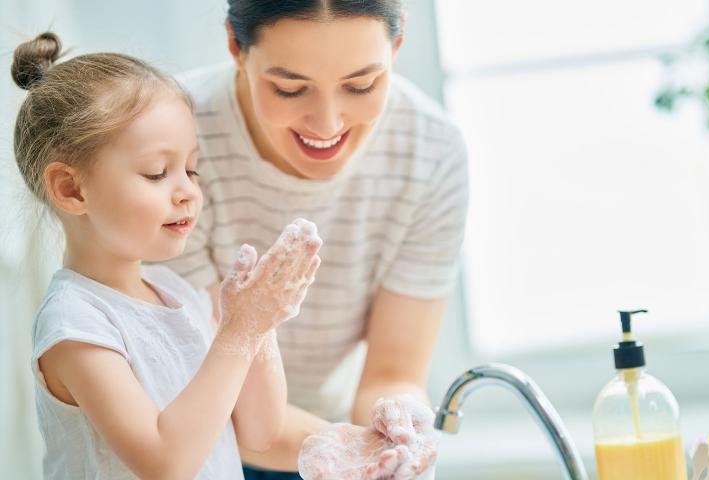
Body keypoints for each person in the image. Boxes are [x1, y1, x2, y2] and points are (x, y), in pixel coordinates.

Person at [163, 1, 470, 478]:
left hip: (323, 437)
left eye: (362, 84)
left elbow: (393, 373)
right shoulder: (168, 139)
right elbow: (212, 391)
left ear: (398, 43)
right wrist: (348, 448)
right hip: (187, 439)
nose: (327, 125)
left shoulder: (431, 153)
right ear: (235, 48)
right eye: (289, 88)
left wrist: (400, 430)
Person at [12, 32, 322, 479]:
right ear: (71, 189)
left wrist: (260, 326)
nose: (188, 192)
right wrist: (238, 332)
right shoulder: (75, 324)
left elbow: (259, 432)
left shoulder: (175, 292)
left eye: (191, 169)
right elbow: (164, 463)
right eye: (158, 173)